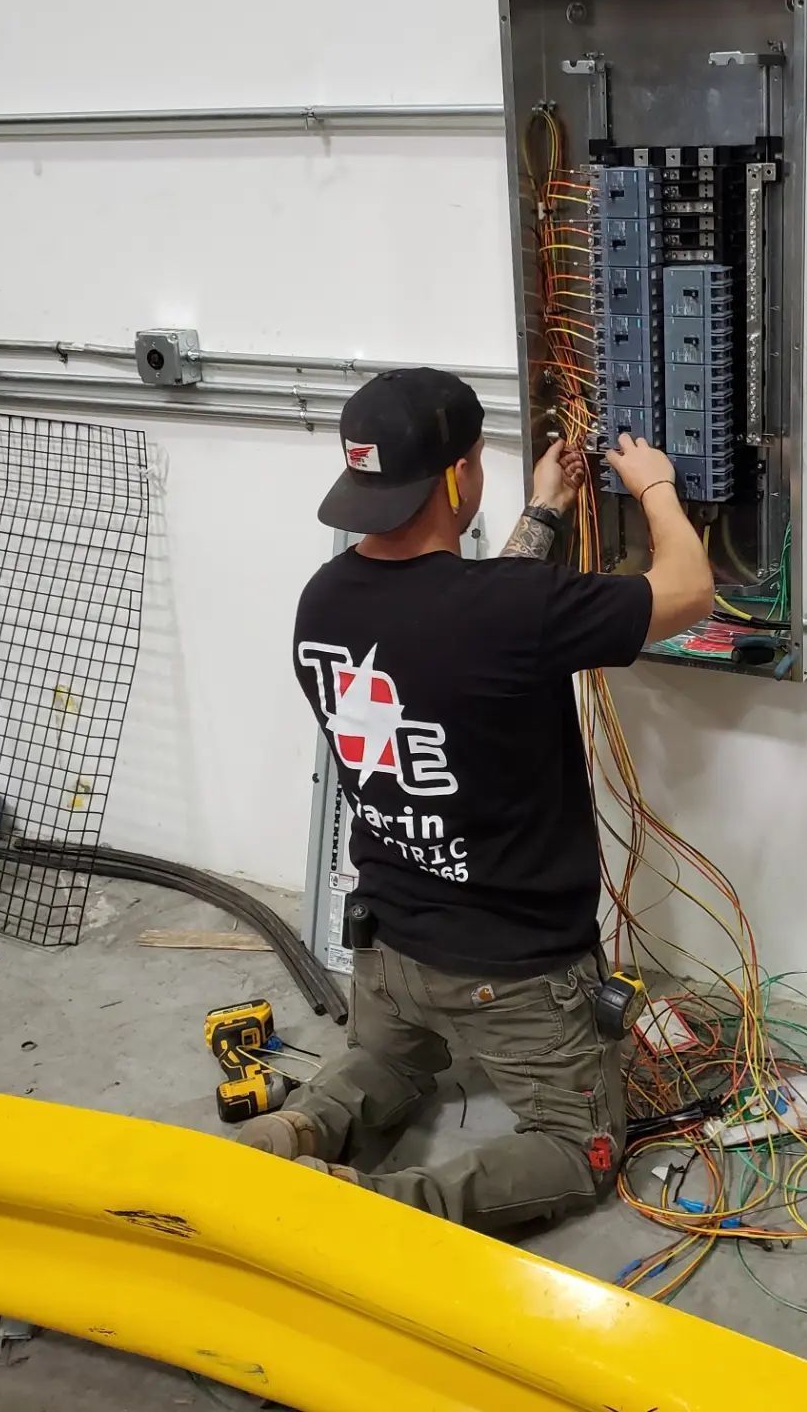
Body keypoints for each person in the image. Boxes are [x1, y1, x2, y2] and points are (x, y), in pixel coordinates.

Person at [242, 366, 713, 1230]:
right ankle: (384, 1209)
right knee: (582, 1150)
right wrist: (654, 490)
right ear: (460, 477)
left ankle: (294, 1131)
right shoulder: (505, 612)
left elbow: (469, 620)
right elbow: (687, 592)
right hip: (515, 973)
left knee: (388, 1067)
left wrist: (545, 510)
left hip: (390, 958)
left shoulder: (324, 602)